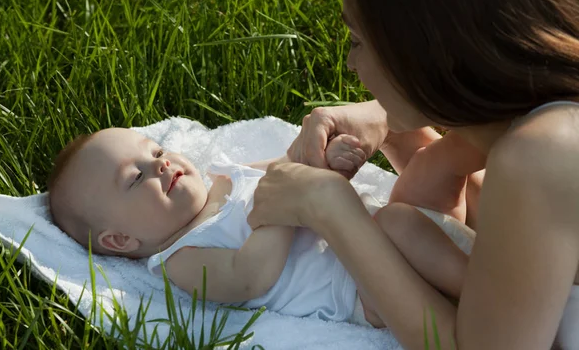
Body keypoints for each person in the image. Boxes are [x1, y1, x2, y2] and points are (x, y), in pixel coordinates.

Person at [246, 0, 579, 349]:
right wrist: (390, 126)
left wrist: (330, 208)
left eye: (357, 41)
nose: (351, 64)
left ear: (425, 48)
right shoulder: (547, 129)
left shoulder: (540, 155)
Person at [47, 127, 474, 328]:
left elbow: (287, 167)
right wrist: (290, 207)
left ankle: (486, 257)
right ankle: (483, 289)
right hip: (364, 289)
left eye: (156, 150)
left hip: (394, 232)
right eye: (136, 177)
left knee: (431, 166)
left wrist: (324, 158)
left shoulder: (223, 175)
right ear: (120, 239)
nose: (160, 163)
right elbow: (251, 276)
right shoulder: (179, 260)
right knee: (396, 222)